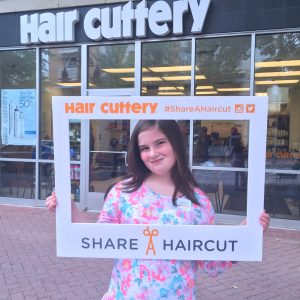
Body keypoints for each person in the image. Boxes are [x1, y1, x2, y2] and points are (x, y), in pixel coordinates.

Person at [46, 120, 270, 300]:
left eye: (160, 143)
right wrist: (68, 210)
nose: (152, 153)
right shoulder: (122, 192)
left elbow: (211, 264)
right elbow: (99, 239)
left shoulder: (198, 203)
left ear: (175, 144)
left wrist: (245, 233)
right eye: (144, 148)